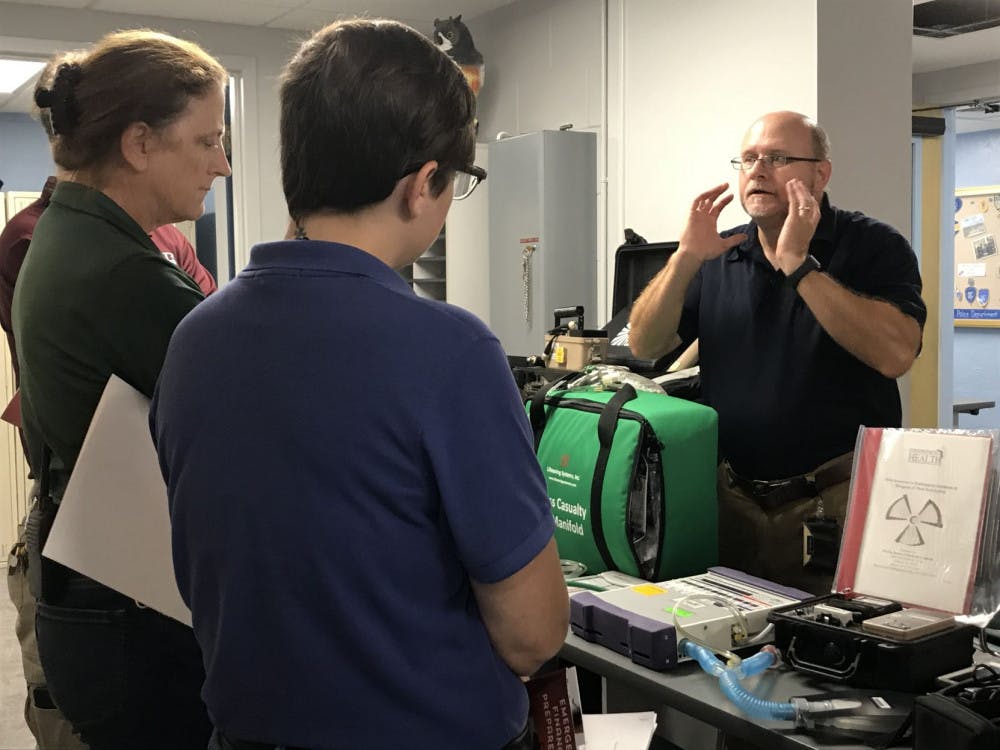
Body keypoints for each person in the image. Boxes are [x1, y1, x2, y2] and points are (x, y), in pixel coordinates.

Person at [151, 18, 568, 750]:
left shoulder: (195, 338)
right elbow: (532, 635)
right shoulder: (450, 350)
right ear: (423, 186)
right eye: (457, 183)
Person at [13, 29, 231, 750]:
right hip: (129, 617)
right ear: (139, 144)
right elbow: (253, 400)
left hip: (96, 600)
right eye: (207, 141)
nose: (222, 165)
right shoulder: (119, 272)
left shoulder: (71, 233)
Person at [628, 111, 926, 594]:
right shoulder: (722, 252)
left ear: (820, 173)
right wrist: (684, 258)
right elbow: (645, 343)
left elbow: (895, 355)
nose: (758, 170)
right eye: (748, 159)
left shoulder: (872, 245)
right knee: (737, 650)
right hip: (735, 503)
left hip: (836, 504)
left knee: (830, 655)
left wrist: (798, 265)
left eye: (778, 157)